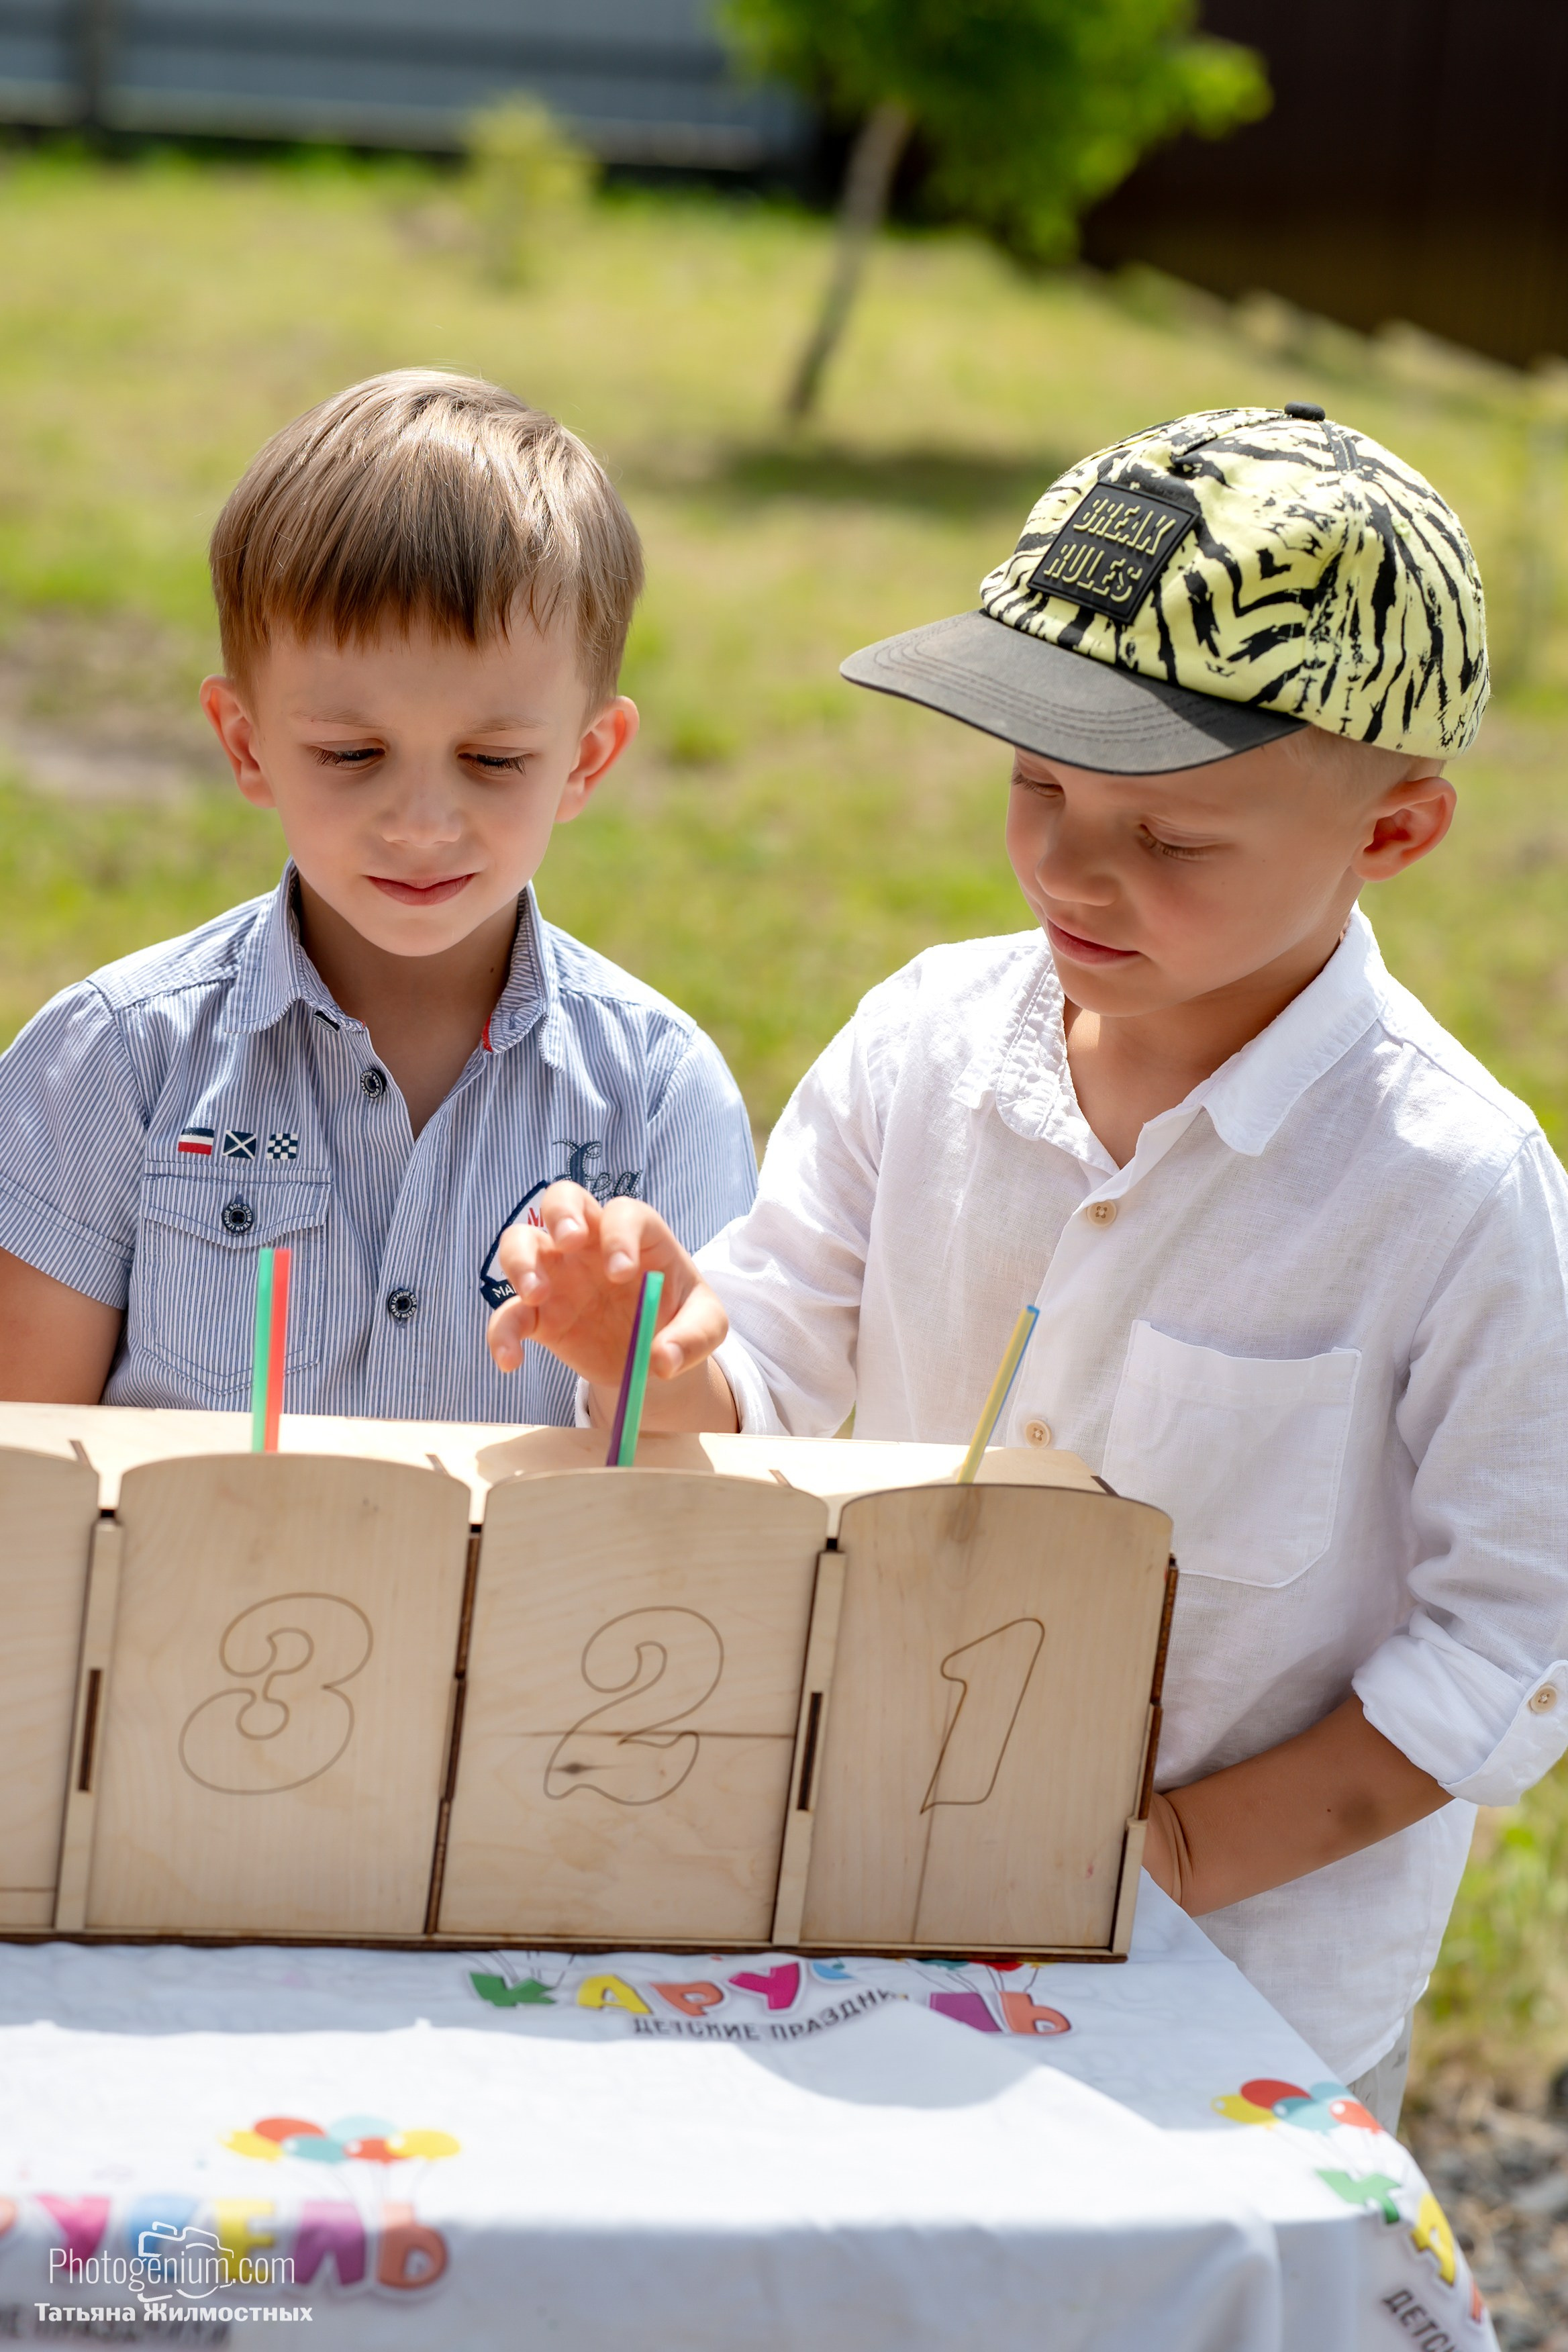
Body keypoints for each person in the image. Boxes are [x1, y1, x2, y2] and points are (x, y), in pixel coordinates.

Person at [484, 403, 1568, 2128]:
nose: (1071, 863)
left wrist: (1176, 1850)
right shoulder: (919, 1044)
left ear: (1394, 834)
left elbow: (1508, 1642)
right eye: (1038, 787)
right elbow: (774, 1387)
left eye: (1174, 836)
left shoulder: (1448, 1187)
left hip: (1240, 2003)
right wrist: (650, 1355)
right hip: (862, 1917)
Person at [0, 370, 755, 1418]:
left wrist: (644, 1366)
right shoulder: (109, 1067)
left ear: (587, 758)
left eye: (492, 760)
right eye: (352, 753)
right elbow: (26, 1485)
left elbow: (706, 1489)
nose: (421, 823)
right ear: (245, 742)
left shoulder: (658, 1095)